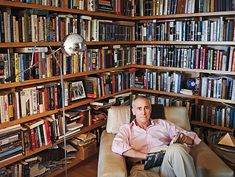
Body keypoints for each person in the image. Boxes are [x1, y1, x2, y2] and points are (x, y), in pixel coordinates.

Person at [112, 95, 201, 177]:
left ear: (150, 109)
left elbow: (193, 138)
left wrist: (184, 138)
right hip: (142, 168)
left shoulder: (162, 124)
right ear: (133, 111)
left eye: (146, 108)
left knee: (177, 149)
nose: (143, 112)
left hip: (166, 165)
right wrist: (149, 156)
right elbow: (117, 145)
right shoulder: (126, 129)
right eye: (139, 108)